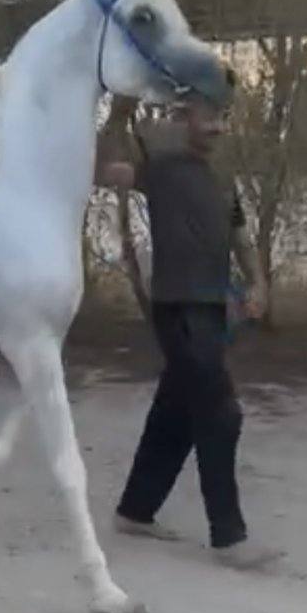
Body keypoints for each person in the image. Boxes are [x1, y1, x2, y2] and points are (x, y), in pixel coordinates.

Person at [97, 80, 282, 570]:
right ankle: (230, 538)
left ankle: (135, 512)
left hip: (211, 307)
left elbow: (240, 236)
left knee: (176, 412)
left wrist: (258, 283)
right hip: (176, 306)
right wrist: (118, 117)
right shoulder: (157, 165)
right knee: (221, 413)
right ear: (186, 116)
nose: (219, 126)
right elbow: (107, 171)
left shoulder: (223, 177)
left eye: (223, 116)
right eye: (209, 115)